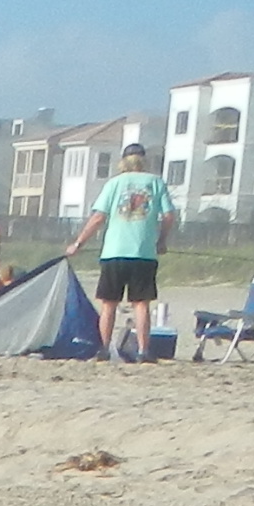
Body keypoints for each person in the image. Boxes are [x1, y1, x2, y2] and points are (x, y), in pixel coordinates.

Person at [67, 144, 178, 360]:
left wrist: (78, 242)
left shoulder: (114, 183)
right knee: (141, 304)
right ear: (143, 160)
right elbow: (169, 216)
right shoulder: (156, 183)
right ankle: (144, 351)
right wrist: (161, 240)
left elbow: (99, 217)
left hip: (114, 252)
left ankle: (104, 349)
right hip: (143, 253)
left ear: (123, 161)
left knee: (108, 304)